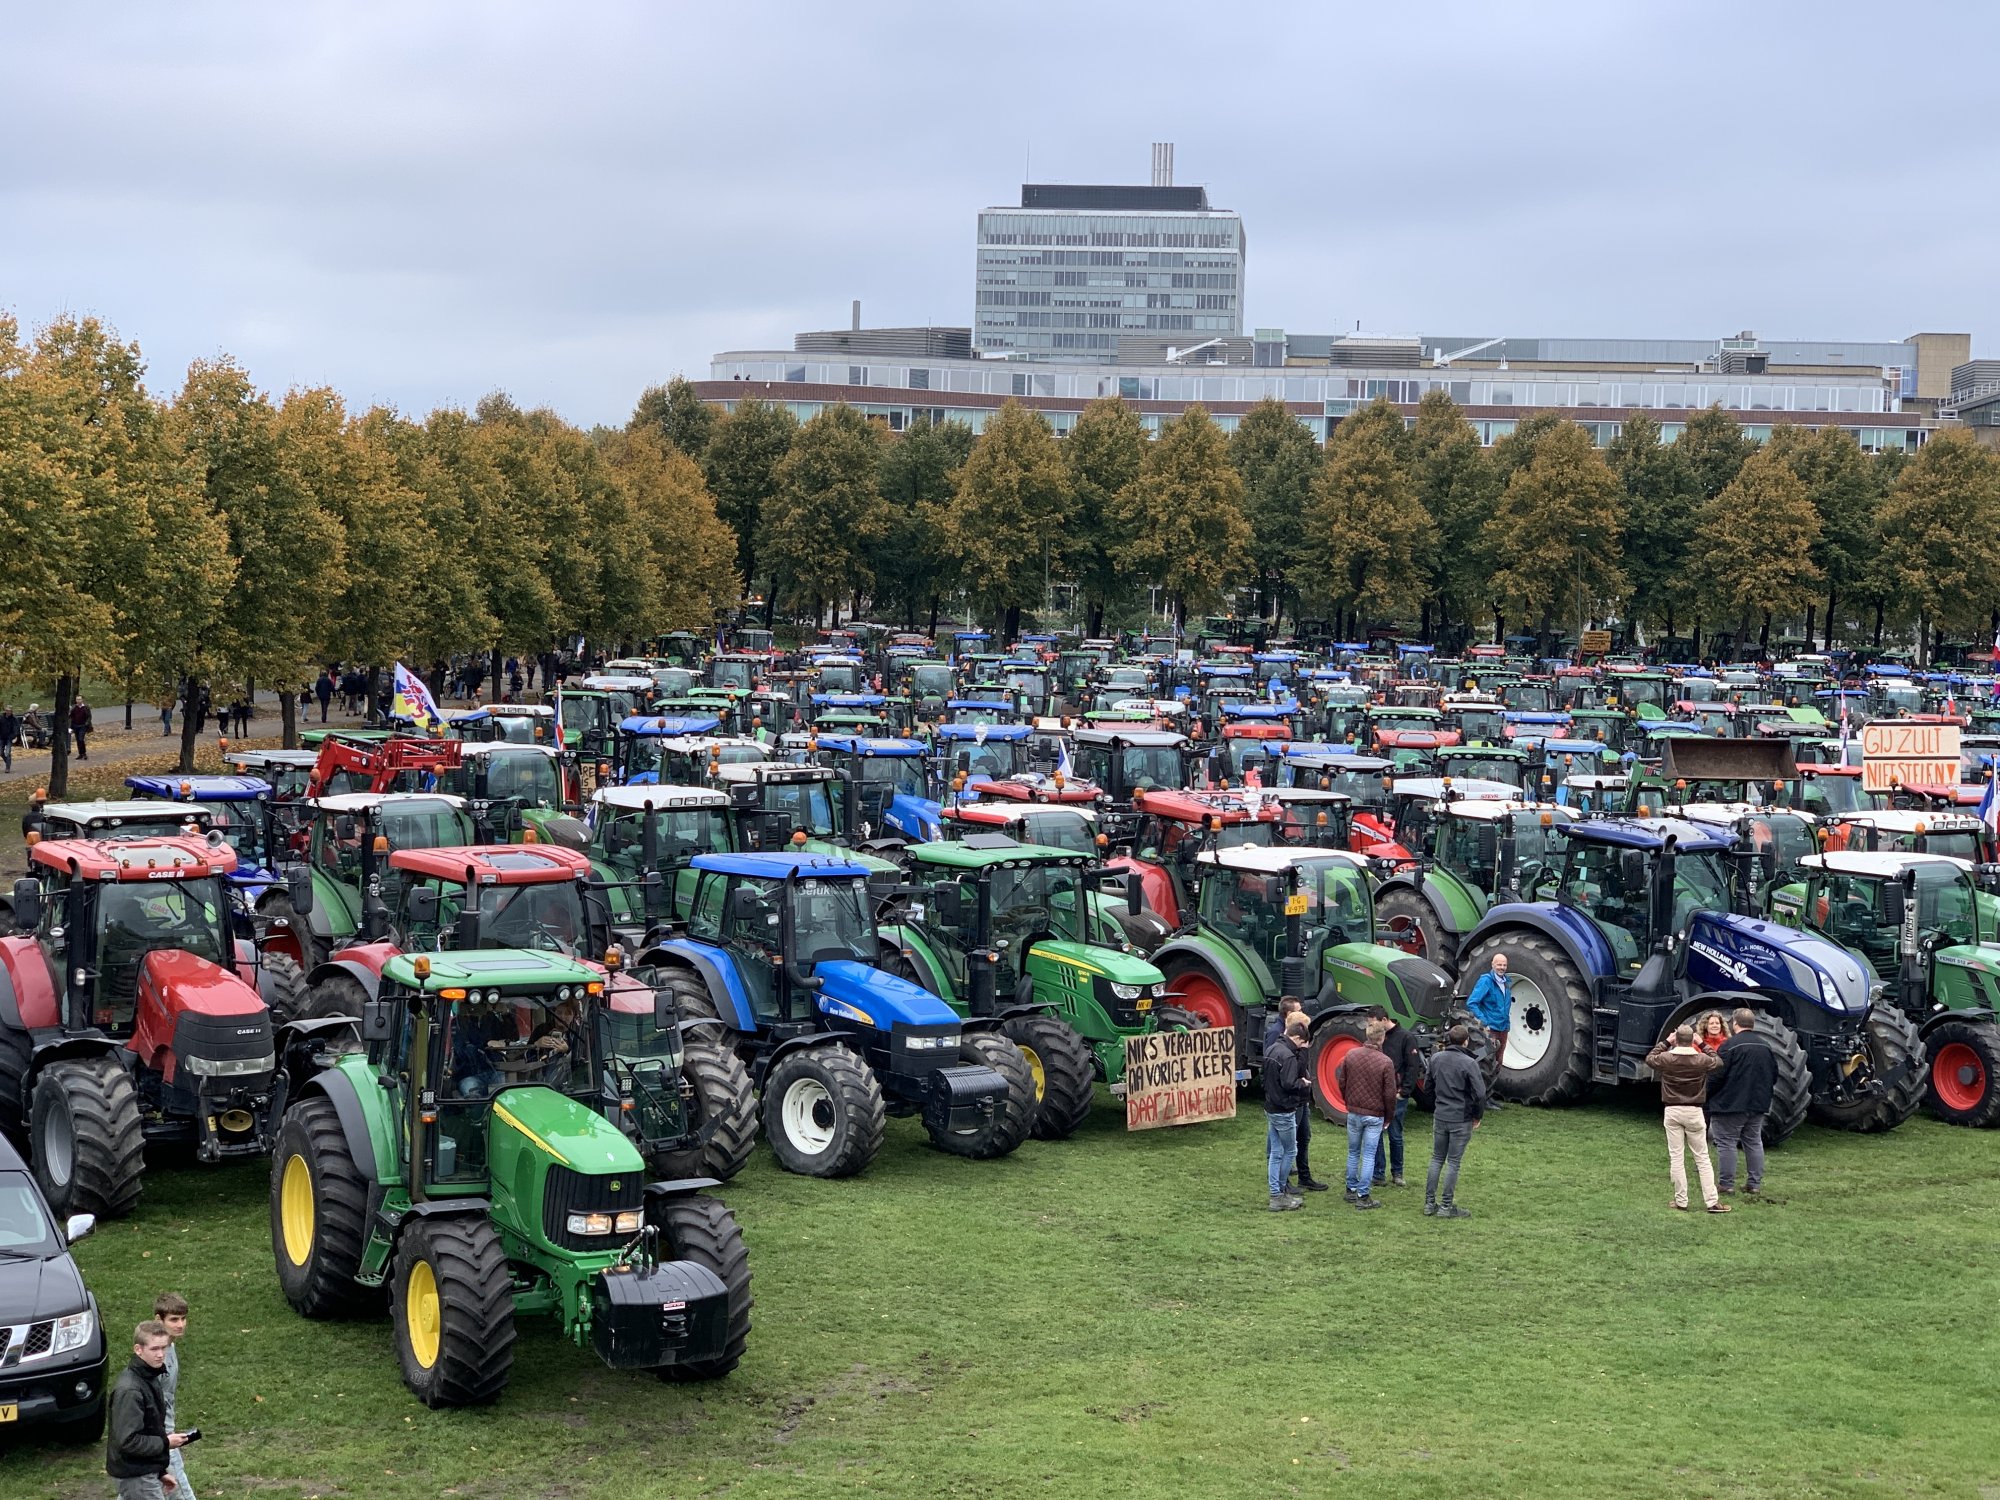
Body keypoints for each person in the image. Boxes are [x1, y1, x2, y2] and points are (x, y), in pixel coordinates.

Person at [1645, 1024, 1731, 1213]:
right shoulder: (1701, 1060)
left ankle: (1681, 1200)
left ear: (1677, 1039)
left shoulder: (1667, 1058)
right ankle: (1712, 1202)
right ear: (1692, 1040)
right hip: (1694, 1111)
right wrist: (1702, 1043)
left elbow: (1650, 1058)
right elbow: (1718, 1061)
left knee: (1676, 1157)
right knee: (1702, 1158)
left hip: (1672, 1110)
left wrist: (1667, 1041)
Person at [107, 1319, 189, 1498]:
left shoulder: (150, 1376)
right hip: (136, 1476)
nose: (161, 1354)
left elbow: (150, 1429)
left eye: (164, 1348)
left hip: (143, 1471)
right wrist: (166, 1443)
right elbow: (128, 1441)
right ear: (138, 1349)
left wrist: (159, 1472)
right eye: (154, 1349)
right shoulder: (130, 1390)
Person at [1260, 996, 1327, 1192]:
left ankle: (1300, 1178)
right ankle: (1282, 1184)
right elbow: (1285, 1073)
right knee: (1285, 1146)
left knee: (1302, 1137)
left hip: (1295, 1100)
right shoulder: (1278, 1041)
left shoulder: (1288, 1046)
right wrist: (1300, 1082)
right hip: (1287, 1100)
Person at [1708, 1008, 1776, 1196]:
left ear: (1735, 1023)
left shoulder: (1729, 1046)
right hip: (1757, 1104)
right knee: (1754, 1142)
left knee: (1726, 1142)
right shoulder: (1766, 1046)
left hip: (1730, 1104)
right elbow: (1774, 1075)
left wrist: (1705, 1094)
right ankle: (1754, 1184)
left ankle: (1726, 1184)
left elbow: (1717, 1075)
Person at [1333, 1018, 1398, 1210]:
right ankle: (1363, 1195)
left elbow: (1342, 1081)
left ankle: (1350, 1189)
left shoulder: (1351, 1055)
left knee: (1353, 1152)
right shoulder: (1386, 1062)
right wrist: (1388, 1116)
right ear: (1382, 1038)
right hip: (1374, 1114)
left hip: (1354, 1111)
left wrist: (1348, 1101)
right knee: (1369, 1155)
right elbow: (1389, 1094)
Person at [1424, 1024, 1486, 1218]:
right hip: (1460, 1118)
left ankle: (1429, 1203)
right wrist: (1477, 1115)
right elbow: (1481, 1093)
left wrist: (1436, 1104)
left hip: (1441, 1115)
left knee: (1436, 1159)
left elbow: (1427, 1087)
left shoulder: (1435, 1059)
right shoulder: (1469, 1063)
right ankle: (1446, 1206)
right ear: (1466, 1040)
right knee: (1453, 1163)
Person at [1262, 1011, 1311, 1212]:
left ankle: (1276, 1193)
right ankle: (1279, 1193)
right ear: (1297, 1037)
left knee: (1275, 1152)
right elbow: (1290, 1083)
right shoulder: (1288, 1056)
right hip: (1284, 1109)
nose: (1302, 1047)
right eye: (1302, 1043)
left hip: (1271, 1107)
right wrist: (1303, 1082)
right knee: (1290, 1150)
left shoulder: (1272, 1049)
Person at [1374, 1007, 1423, 1189]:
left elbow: (1413, 1066)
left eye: (1373, 1023)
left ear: (1384, 1019)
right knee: (1376, 1134)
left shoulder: (1406, 1037)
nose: (1370, 1027)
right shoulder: (1375, 1038)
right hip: (1378, 1094)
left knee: (1395, 1135)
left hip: (1396, 1095)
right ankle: (1378, 1173)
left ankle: (1397, 1173)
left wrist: (1404, 1092)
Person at [155, 1293, 194, 1499]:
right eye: (173, 1319)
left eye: (183, 1318)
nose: (180, 1325)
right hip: (161, 1439)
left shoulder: (170, 1346)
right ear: (158, 1320)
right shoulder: (156, 1357)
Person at [1464, 951, 1512, 1106]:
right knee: (1486, 1061)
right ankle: (1480, 1096)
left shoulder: (1506, 982)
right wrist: (1484, 1022)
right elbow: (1472, 1002)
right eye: (1499, 964)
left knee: (1497, 1063)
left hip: (1503, 1028)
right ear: (1492, 964)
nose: (1502, 967)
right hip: (1490, 1030)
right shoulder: (1486, 981)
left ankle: (1489, 1095)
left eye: (1504, 965)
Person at [0, 705, 15, 774]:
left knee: (8, 752)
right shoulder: (1, 718)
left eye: (10, 711)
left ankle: (7, 768)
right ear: (5, 711)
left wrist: (13, 735)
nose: (8, 712)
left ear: (11, 711)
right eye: (7, 711)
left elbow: (16, 728)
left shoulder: (14, 719)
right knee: (1, 752)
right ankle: (8, 762)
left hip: (9, 737)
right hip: (1, 737)